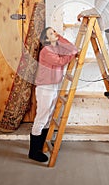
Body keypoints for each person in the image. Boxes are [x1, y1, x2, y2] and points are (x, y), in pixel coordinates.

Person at [28, 27, 78, 163]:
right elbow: (62, 61)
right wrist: (72, 54)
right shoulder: (46, 51)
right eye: (51, 33)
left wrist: (59, 38)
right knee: (42, 117)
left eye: (55, 31)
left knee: (49, 117)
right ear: (46, 39)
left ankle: (40, 147)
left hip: (53, 86)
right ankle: (33, 152)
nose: (55, 33)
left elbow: (72, 48)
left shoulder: (56, 48)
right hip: (45, 88)